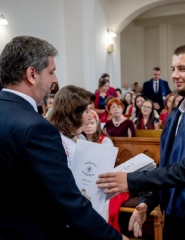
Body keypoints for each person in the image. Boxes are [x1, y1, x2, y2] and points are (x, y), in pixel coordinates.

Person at [97, 43, 185, 240]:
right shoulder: (174, 116)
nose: (174, 75)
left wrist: (131, 181)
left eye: (183, 69)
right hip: (174, 220)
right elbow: (167, 166)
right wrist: (148, 201)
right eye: (173, 69)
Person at [0, 35, 127, 240]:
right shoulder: (37, 128)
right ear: (31, 74)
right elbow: (67, 201)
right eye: (51, 72)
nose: (55, 80)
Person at [48, 85, 94, 168]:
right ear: (73, 114)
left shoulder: (81, 137)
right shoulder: (55, 141)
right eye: (87, 111)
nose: (91, 116)